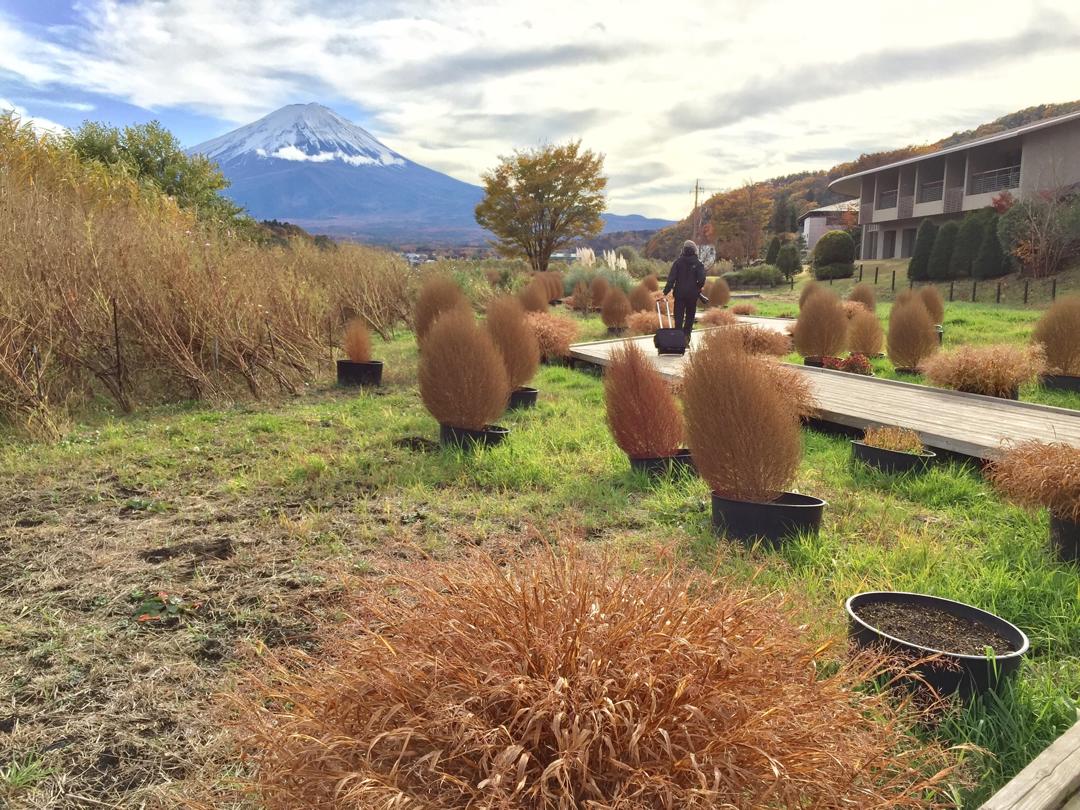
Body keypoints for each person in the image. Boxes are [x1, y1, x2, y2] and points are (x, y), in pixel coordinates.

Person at [663, 239, 707, 339]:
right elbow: (701, 279)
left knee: (678, 317)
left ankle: (678, 340)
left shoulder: (677, 263)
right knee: (690, 317)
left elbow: (671, 279)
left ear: (684, 250)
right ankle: (686, 339)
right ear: (694, 250)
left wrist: (665, 291)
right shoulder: (698, 263)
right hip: (692, 295)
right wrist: (698, 288)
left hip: (679, 294)